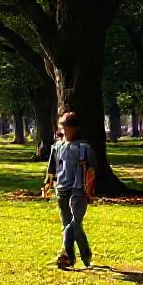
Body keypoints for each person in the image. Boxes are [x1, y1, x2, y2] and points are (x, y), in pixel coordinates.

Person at [43, 112, 96, 270]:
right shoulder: (57, 147)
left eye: (67, 126)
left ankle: (66, 252)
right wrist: (47, 186)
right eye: (63, 125)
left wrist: (89, 191)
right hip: (61, 190)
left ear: (75, 128)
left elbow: (91, 171)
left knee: (74, 223)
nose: (64, 129)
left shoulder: (84, 148)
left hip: (78, 190)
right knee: (70, 224)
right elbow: (51, 170)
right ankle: (78, 256)